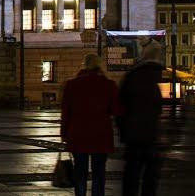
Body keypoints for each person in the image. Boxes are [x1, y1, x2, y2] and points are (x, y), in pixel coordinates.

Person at [61, 54, 122, 196]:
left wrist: (64, 133)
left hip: (78, 134)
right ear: (99, 65)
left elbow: (66, 112)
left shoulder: (72, 85)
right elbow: (117, 110)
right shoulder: (108, 85)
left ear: (84, 65)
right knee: (99, 173)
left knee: (80, 172)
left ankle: (80, 194)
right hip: (101, 135)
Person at [118, 42, 164, 196]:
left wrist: (123, 131)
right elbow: (158, 109)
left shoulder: (132, 75)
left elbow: (120, 107)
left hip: (133, 137)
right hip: (151, 137)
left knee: (131, 177)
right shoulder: (156, 76)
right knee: (150, 180)